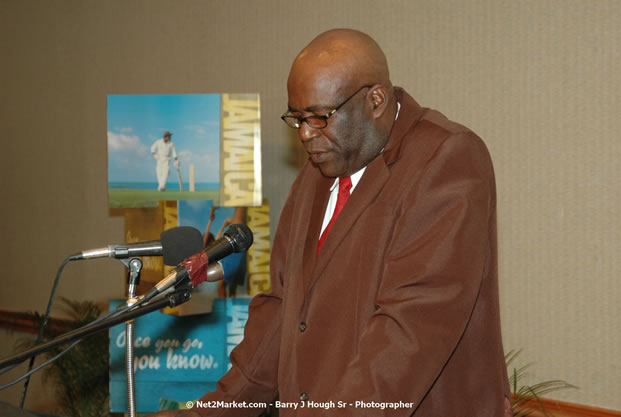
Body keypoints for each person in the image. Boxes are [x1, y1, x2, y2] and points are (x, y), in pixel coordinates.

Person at [151, 29, 512, 417]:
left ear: (375, 100)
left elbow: (409, 332)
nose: (306, 134)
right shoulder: (316, 174)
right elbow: (282, 311)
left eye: (320, 117)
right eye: (298, 118)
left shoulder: (446, 160)